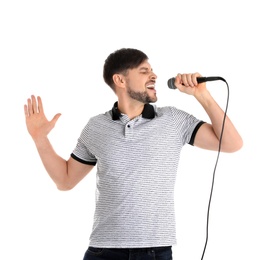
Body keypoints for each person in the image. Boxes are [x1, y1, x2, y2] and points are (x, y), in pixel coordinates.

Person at [24, 48, 243, 260]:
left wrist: (201, 95)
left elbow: (232, 143)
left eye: (152, 70)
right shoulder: (96, 127)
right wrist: (40, 138)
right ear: (120, 80)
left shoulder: (173, 120)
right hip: (103, 250)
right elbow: (65, 180)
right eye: (144, 71)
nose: (154, 75)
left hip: (154, 252)